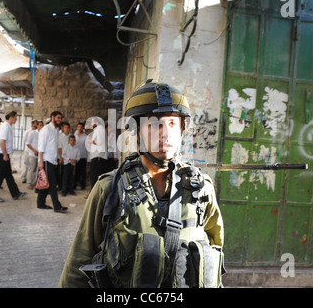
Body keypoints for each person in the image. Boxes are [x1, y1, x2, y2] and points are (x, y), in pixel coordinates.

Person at [59, 81, 224, 288]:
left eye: (172, 124)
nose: (165, 133)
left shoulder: (202, 190)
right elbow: (78, 264)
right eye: (155, 124)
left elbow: (215, 253)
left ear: (182, 128)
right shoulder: (110, 189)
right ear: (137, 131)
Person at [0, 111, 27, 203]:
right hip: (0, 155)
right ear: (11, 117)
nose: (16, 119)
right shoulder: (5, 127)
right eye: (16, 117)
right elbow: (2, 141)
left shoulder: (7, 126)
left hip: (3, 155)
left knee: (8, 175)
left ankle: (15, 193)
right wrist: (5, 155)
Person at [37, 111, 68, 213]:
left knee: (47, 183)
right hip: (46, 160)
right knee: (52, 183)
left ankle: (40, 203)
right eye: (58, 118)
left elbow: (55, 146)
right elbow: (41, 146)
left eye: (61, 118)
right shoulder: (46, 129)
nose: (60, 120)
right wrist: (40, 161)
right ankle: (57, 206)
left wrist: (57, 159)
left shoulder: (56, 130)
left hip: (52, 160)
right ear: (52, 117)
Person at [87, 117, 108, 188]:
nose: (91, 123)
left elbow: (99, 142)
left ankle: (94, 192)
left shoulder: (99, 129)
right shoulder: (99, 129)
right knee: (95, 175)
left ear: (96, 122)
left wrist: (90, 141)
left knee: (95, 175)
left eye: (92, 122)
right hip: (97, 156)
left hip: (98, 156)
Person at [26, 120, 43, 189]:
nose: (41, 126)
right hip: (33, 154)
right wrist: (34, 150)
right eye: (40, 125)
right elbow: (28, 143)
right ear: (37, 125)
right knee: (32, 168)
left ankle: (35, 183)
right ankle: (29, 183)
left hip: (39, 155)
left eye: (42, 125)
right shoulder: (32, 133)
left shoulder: (42, 134)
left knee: (37, 169)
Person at [73, 122, 88, 190]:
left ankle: (83, 185)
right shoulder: (75, 136)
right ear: (77, 128)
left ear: (83, 128)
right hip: (76, 157)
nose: (80, 128)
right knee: (76, 171)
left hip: (83, 156)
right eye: (78, 127)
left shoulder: (85, 136)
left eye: (81, 127)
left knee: (83, 172)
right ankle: (74, 185)